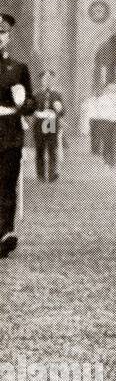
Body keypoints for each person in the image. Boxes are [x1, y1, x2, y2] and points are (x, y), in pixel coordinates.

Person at [0, 13, 34, 257]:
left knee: (7, 184)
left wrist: (24, 102)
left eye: (2, 33)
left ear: (8, 37)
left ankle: (4, 232)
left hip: (10, 131)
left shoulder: (18, 68)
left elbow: (31, 103)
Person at [31, 68, 63, 182]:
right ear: (41, 81)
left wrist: (59, 109)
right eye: (45, 79)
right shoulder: (36, 94)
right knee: (40, 150)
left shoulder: (57, 95)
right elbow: (30, 110)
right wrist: (39, 113)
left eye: (50, 78)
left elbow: (63, 112)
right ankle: (40, 175)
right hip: (40, 124)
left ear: (53, 80)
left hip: (51, 123)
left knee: (52, 149)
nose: (47, 81)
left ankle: (51, 174)